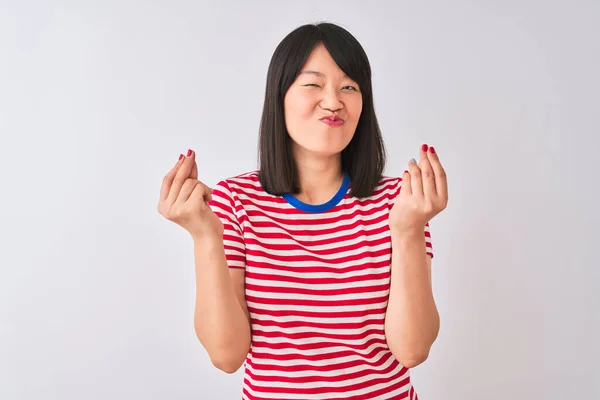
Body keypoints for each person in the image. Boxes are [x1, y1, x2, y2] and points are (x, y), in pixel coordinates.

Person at [158, 22, 448, 400]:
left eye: (349, 86)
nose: (333, 101)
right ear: (279, 95)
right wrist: (205, 235)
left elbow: (412, 350)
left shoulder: (401, 201)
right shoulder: (235, 199)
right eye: (313, 84)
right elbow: (226, 356)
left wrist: (408, 230)